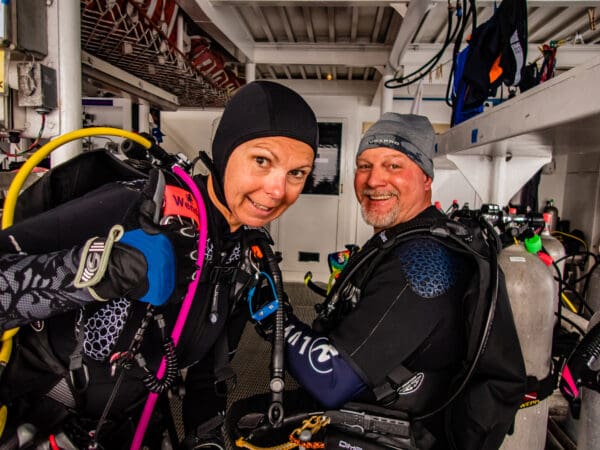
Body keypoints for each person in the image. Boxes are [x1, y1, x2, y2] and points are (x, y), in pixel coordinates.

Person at [0, 80, 318, 449]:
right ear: (226, 151)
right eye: (262, 161)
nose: (278, 190)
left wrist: (206, 437)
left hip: (135, 427)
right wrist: (101, 272)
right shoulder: (139, 208)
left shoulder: (243, 258)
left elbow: (207, 377)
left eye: (297, 173)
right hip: (38, 420)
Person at [233, 113, 527, 450]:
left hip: (399, 430)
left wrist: (273, 316)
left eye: (393, 166)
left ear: (426, 177)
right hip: (384, 405)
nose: (374, 181)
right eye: (364, 165)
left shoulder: (422, 261)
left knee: (246, 427)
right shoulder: (402, 238)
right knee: (246, 414)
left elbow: (331, 379)